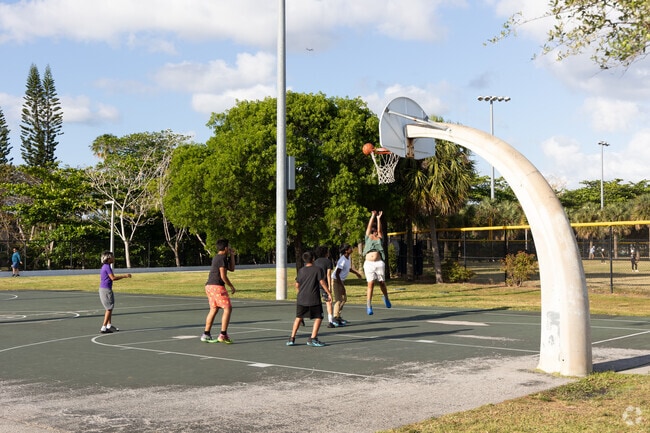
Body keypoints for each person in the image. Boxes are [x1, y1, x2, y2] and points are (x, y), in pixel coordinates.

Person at [286, 251, 331, 347]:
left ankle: (292, 338)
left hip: (301, 298)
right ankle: (313, 338)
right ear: (313, 259)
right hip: (313, 298)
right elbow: (322, 282)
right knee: (319, 317)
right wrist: (328, 293)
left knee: (298, 317)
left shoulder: (301, 271)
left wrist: (300, 292)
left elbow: (297, 284)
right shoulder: (317, 269)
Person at [201, 239, 237, 344]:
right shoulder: (221, 258)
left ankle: (206, 334)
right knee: (227, 308)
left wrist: (232, 255)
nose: (230, 248)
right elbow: (223, 276)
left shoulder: (219, 257)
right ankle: (223, 334)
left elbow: (232, 268)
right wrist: (231, 286)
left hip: (209, 286)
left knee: (214, 309)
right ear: (225, 248)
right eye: (229, 247)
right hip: (217, 286)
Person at [363, 210, 391, 315]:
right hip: (369, 263)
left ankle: (386, 298)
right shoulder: (368, 238)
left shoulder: (379, 238)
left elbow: (380, 230)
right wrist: (372, 216)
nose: (373, 232)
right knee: (370, 284)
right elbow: (368, 228)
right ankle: (369, 305)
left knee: (382, 283)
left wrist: (378, 219)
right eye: (372, 231)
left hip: (379, 262)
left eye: (374, 231)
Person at [98, 251, 131, 334]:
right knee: (109, 308)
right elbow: (113, 278)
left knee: (110, 307)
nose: (113, 258)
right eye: (112, 257)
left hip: (105, 289)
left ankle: (109, 325)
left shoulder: (106, 266)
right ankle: (104, 327)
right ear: (108, 258)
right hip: (105, 290)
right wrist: (125, 276)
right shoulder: (107, 267)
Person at [332, 243, 363, 326]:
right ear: (346, 250)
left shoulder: (348, 257)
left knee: (344, 299)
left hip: (341, 280)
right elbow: (337, 273)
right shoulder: (342, 260)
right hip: (336, 280)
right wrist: (341, 286)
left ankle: (338, 316)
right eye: (350, 248)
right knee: (338, 300)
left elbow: (349, 269)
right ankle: (334, 318)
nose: (352, 249)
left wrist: (356, 273)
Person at [314, 245, 336, 328]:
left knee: (314, 302)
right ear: (326, 252)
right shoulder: (328, 262)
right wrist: (329, 287)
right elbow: (328, 274)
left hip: (316, 284)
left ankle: (302, 318)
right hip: (324, 284)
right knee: (328, 301)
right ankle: (330, 320)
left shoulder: (315, 262)